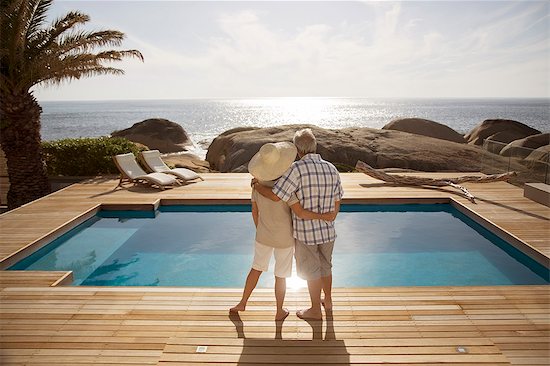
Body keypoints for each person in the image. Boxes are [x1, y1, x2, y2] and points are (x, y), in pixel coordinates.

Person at [229, 142, 335, 321]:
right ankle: (279, 310)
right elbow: (298, 212)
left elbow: (255, 213)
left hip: (263, 236)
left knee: (256, 269)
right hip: (285, 239)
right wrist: (324, 216)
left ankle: (242, 302)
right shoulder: (288, 190)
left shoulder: (256, 187)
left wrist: (261, 228)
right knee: (281, 276)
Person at [254, 128, 343, 320]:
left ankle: (315, 310)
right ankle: (327, 302)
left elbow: (276, 196)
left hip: (305, 233)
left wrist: (258, 186)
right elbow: (337, 202)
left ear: (297, 149)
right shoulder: (331, 168)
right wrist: (327, 216)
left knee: (311, 270)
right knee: (326, 266)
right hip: (328, 231)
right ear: (314, 146)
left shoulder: (296, 169)